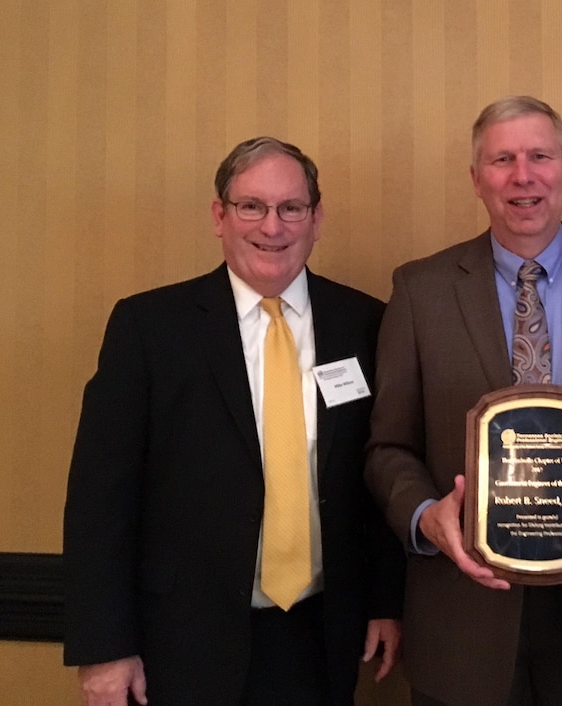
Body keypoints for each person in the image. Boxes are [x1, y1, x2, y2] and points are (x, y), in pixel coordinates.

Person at [63, 137, 404, 705]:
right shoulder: (151, 328)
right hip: (180, 642)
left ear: (316, 219)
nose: (272, 226)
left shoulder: (365, 323)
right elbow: (101, 497)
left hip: (320, 635)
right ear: (220, 216)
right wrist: (104, 646)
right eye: (252, 206)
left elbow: (381, 470)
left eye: (291, 208)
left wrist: (385, 602)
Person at [365, 96, 562, 706]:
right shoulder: (419, 291)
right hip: (463, 620)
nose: (523, 175)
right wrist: (427, 515)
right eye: (502, 159)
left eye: (539, 156)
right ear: (477, 179)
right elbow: (389, 447)